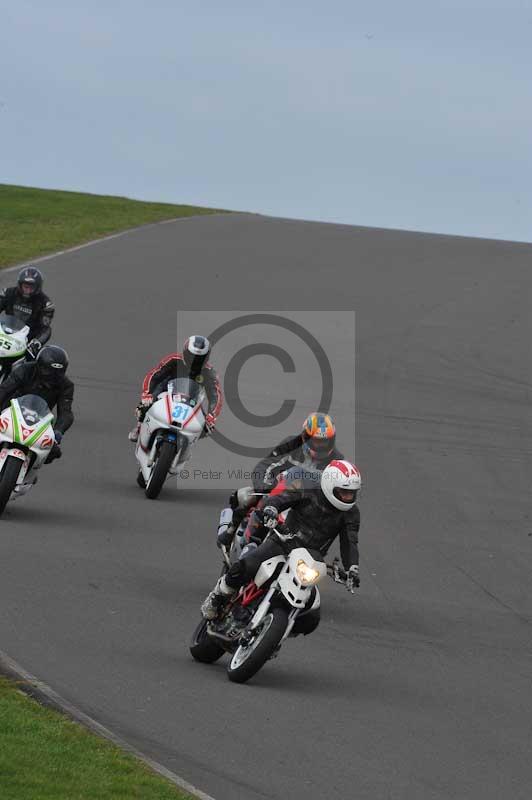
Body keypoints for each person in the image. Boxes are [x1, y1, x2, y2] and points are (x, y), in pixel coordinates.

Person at [202, 459, 362, 628]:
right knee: (247, 565)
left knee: (311, 616)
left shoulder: (351, 514)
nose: (348, 497)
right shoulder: (309, 490)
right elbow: (282, 498)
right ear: (330, 485)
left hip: (310, 558)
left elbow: (350, 542)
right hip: (283, 541)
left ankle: (279, 629)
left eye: (351, 493)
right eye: (344, 492)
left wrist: (352, 568)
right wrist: (272, 508)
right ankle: (217, 595)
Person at [216, 412, 344, 549]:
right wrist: (264, 486)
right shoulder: (291, 444)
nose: (321, 446)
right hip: (280, 489)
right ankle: (230, 531)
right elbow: (265, 464)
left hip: (308, 500)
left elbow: (341, 487)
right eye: (317, 441)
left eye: (325, 441)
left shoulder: (337, 460)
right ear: (305, 437)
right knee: (248, 496)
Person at [128, 335, 222, 441]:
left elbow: (216, 395)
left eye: (199, 359)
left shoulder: (209, 372)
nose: (195, 362)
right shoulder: (173, 359)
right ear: (185, 353)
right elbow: (154, 375)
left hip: (192, 401)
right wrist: (147, 393)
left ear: (206, 358)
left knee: (207, 429)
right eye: (192, 357)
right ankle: (139, 427)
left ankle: (187, 444)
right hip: (165, 391)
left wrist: (211, 416)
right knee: (144, 406)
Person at [0, 345, 74, 463]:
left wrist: (58, 431)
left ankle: (30, 468)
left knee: (53, 453)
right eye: (48, 370)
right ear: (39, 365)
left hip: (40, 420)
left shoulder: (66, 385)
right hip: (11, 411)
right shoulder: (25, 370)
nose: (52, 375)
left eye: (58, 372)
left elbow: (66, 412)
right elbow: (4, 389)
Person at [0, 267, 55, 364]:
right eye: (25, 287)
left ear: (37, 288)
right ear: (20, 285)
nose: (27, 291)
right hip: (4, 335)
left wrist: (36, 342)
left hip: (26, 342)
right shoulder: (8, 293)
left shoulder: (45, 304)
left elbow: (45, 329)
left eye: (31, 288)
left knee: (38, 363)